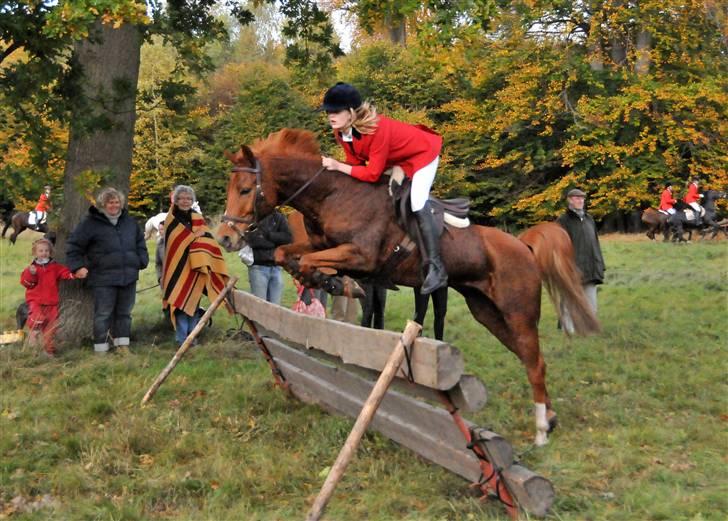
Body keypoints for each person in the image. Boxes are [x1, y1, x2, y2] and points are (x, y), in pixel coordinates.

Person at [319, 82, 447, 295]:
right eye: (328, 112)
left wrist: (338, 165)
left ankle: (436, 267)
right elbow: (356, 164)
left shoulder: (378, 129)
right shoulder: (341, 133)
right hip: (396, 160)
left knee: (416, 201)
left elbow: (371, 173)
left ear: (351, 112)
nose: (330, 116)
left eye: (335, 111)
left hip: (423, 154)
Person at [66, 187, 149, 353]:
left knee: (124, 313)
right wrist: (77, 267)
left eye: (117, 202)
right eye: (110, 202)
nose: (114, 205)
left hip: (128, 276)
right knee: (103, 314)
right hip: (102, 277)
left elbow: (140, 243)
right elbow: (74, 246)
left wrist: (141, 260)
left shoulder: (129, 222)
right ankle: (101, 348)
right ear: (103, 204)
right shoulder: (90, 224)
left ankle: (122, 346)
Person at [162, 185, 230, 346]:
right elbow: (175, 243)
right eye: (182, 198)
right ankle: (182, 339)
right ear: (176, 200)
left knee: (193, 302)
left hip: (197, 267)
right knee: (179, 303)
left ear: (192, 201)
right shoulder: (171, 219)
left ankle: (192, 338)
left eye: (188, 198)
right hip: (177, 269)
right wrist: (193, 236)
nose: (185, 201)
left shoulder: (197, 218)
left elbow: (207, 240)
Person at [556, 188, 605, 334]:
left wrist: (600, 264)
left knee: (591, 303)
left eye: (582, 198)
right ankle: (568, 330)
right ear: (570, 200)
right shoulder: (562, 221)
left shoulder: (589, 219)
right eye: (577, 198)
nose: (580, 201)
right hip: (572, 268)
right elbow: (558, 247)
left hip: (591, 267)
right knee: (569, 301)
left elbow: (595, 243)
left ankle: (589, 330)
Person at [19, 238, 75, 356]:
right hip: (36, 300)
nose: (44, 253)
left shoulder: (55, 267)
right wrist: (31, 273)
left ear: (50, 252)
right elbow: (26, 283)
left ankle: (48, 351)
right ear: (35, 253)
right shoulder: (31, 268)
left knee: (50, 328)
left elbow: (65, 273)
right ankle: (32, 339)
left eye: (46, 251)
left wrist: (74, 274)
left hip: (51, 302)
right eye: (40, 251)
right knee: (37, 318)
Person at [244, 209, 292, 304]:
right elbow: (252, 240)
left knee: (275, 307)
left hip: (276, 268)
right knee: (259, 307)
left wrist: (268, 236)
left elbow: (288, 238)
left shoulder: (278, 217)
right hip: (258, 268)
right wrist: (275, 242)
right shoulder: (253, 218)